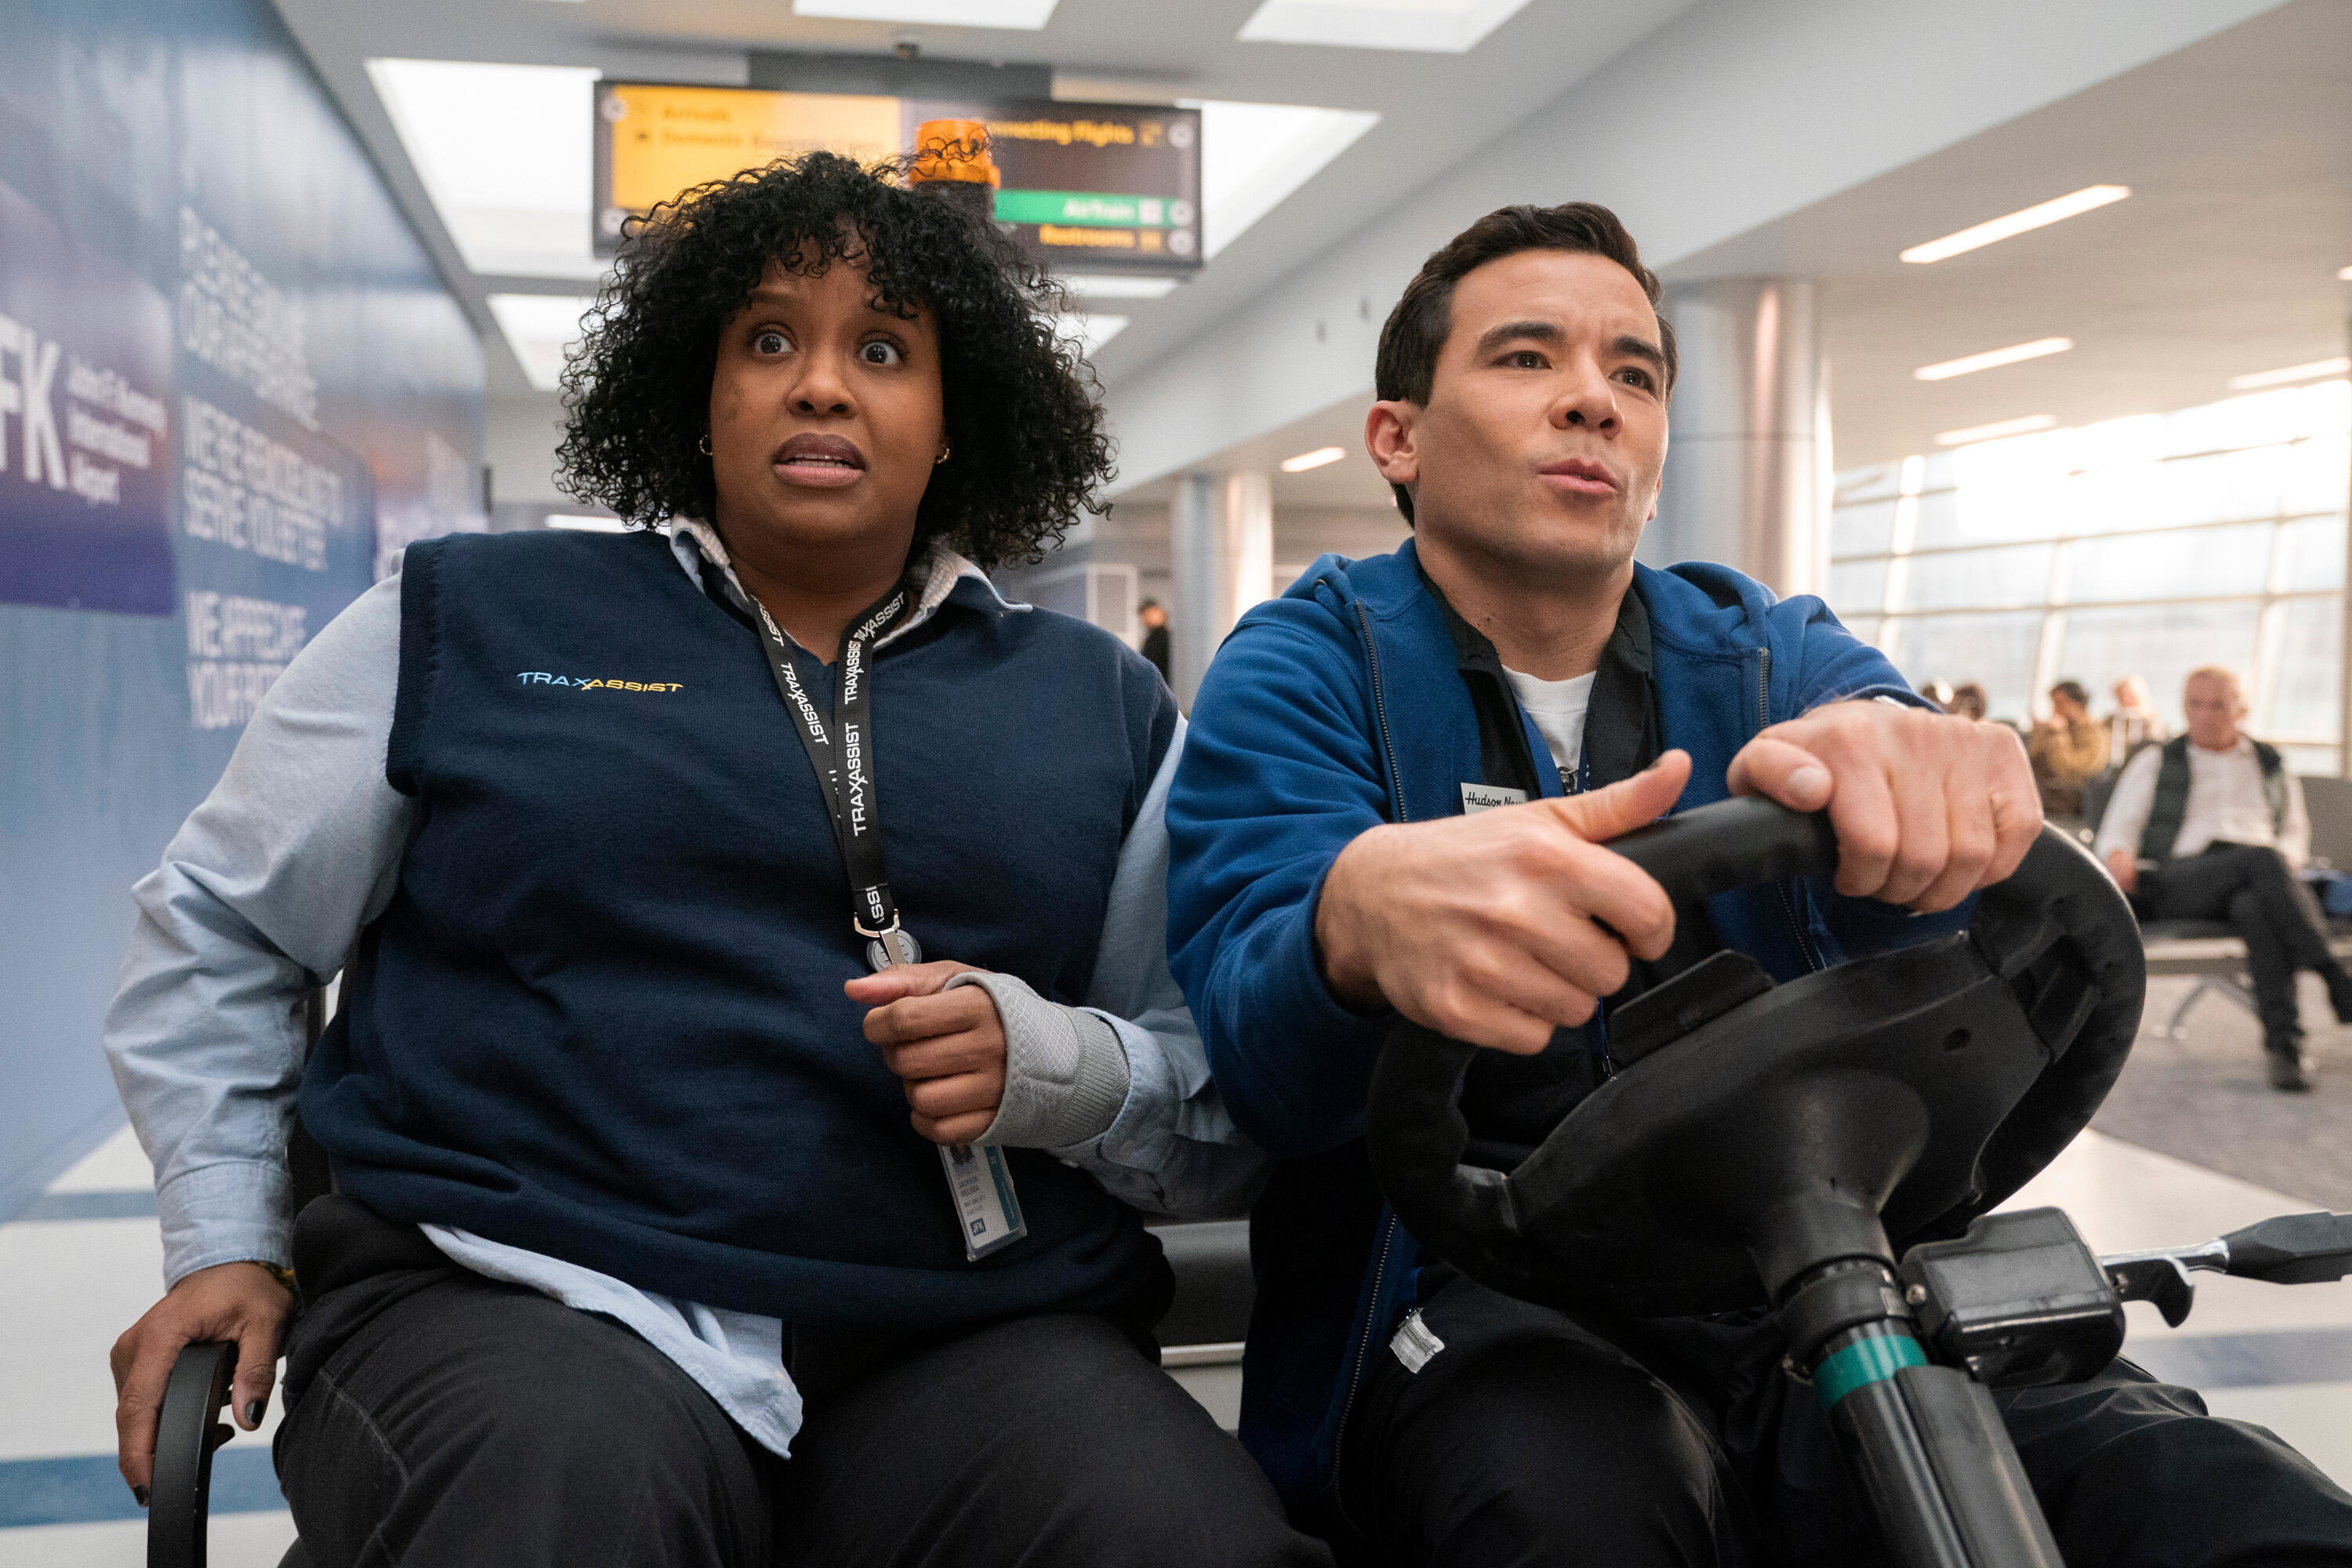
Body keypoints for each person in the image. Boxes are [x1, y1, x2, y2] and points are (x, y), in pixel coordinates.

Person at [103, 153, 1323, 1568]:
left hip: (963, 1333)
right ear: (699, 393)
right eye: (768, 341)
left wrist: (1067, 1070)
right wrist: (225, 1236)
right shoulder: (463, 618)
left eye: (884, 350)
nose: (823, 386)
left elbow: (1207, 1077)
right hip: (521, 1297)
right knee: (562, 1507)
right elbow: (223, 926)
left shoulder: (1099, 702)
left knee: (1181, 1536)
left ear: (955, 420)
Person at [1165, 201, 2352, 1565]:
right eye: (1526, 357)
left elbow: (1882, 726)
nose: (1594, 402)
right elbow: (1260, 1048)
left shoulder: (1767, 650)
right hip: (1478, 1297)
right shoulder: (1306, 668)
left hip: (1822, 1261)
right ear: (1398, 438)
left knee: (2198, 1488)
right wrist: (1345, 930)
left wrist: (1917, 761)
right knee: (1568, 1509)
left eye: (1634, 373)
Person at [2097, 666, 2351, 1091]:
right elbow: (2117, 831)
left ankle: (2285, 1049)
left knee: (2255, 904)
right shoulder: (2157, 760)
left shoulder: (2270, 764)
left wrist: (2282, 866)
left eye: (2217, 705)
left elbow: (2294, 835)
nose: (2204, 715)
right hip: (2178, 878)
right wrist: (2118, 855)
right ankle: (2331, 974)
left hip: (2257, 881)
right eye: (2194, 704)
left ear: (2241, 710)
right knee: (2262, 861)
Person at [2027, 677, 2108, 818]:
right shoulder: (2057, 728)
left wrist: (2059, 736)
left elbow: (2071, 770)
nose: (2056, 709)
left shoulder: (2095, 734)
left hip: (2071, 800)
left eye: (2060, 703)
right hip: (2044, 795)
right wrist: (2041, 732)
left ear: (2078, 704)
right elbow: (2031, 760)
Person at [2108, 673, 2168, 769]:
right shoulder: (2111, 720)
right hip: (2115, 767)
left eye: (2127, 695)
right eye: (2120, 696)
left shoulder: (2150, 720)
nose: (2124, 699)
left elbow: (2155, 745)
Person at [1138, 597, 1173, 688]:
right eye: (1144, 615)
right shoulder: (1153, 637)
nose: (1144, 619)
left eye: (1148, 614)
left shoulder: (1163, 637)